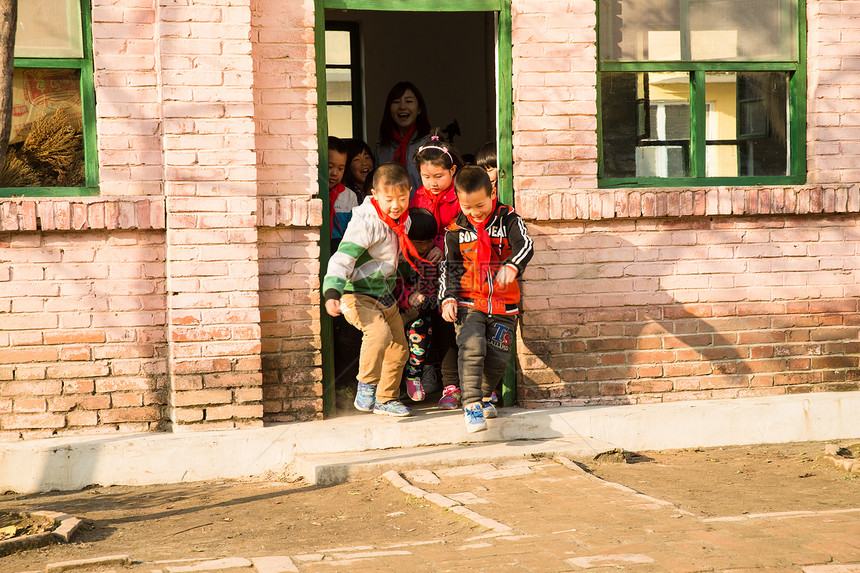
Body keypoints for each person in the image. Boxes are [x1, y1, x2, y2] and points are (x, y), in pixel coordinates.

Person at [323, 163, 426, 417]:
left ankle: (386, 399)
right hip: (355, 293)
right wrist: (332, 292)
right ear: (375, 194)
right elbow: (341, 259)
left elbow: (397, 259)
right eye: (389, 199)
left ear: (410, 193)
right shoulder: (366, 223)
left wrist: (410, 288)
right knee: (378, 334)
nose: (396, 205)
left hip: (385, 294)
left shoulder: (405, 220)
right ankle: (366, 385)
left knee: (400, 347)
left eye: (402, 198)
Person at [439, 166, 534, 433]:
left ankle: (482, 396)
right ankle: (470, 406)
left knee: (498, 358)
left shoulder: (509, 219)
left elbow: (525, 245)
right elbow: (449, 267)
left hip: (505, 303)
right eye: (467, 207)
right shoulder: (455, 229)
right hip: (469, 302)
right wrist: (447, 299)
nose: (475, 212)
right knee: (472, 349)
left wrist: (513, 266)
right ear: (458, 200)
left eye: (480, 205)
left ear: (492, 193)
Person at [410, 129, 464, 409]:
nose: (431, 183)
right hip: (422, 272)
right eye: (426, 177)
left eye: (438, 177)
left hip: (450, 271)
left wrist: (442, 246)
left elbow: (463, 231)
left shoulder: (460, 198)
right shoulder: (416, 197)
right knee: (421, 322)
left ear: (452, 170)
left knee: (446, 324)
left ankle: (450, 384)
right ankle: (422, 372)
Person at [394, 207, 442, 402]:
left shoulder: (434, 254)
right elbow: (393, 287)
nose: (425, 246)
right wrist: (408, 297)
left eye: (430, 241)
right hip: (398, 312)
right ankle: (394, 384)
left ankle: (414, 376)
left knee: (420, 335)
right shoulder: (398, 257)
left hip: (424, 313)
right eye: (419, 242)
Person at [375, 82, 431, 195]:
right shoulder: (381, 147)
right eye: (396, 102)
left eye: (409, 101)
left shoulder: (430, 144)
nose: (402, 107)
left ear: (419, 109)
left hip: (425, 210)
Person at [328, 136, 360, 251]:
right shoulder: (313, 194)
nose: (334, 173)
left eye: (340, 168)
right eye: (329, 167)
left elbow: (354, 230)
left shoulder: (350, 196)